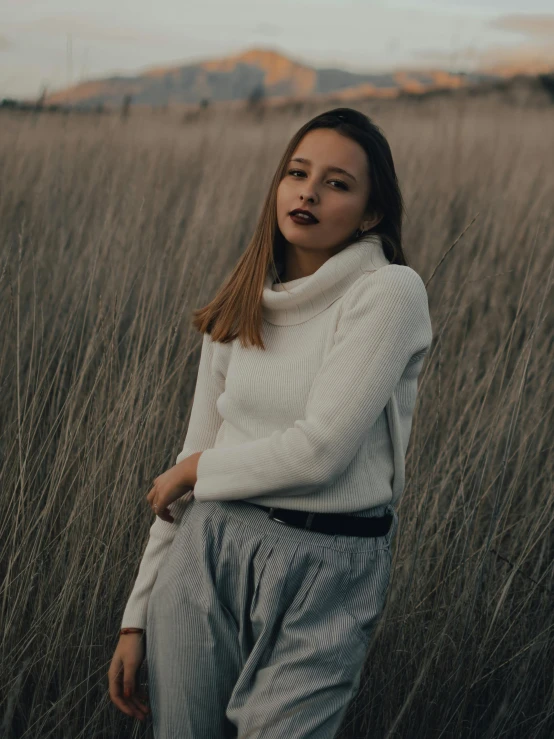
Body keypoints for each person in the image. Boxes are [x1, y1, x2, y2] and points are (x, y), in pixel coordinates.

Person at [108, 106, 433, 737]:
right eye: (297, 173)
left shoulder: (388, 292)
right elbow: (192, 451)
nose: (308, 191)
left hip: (326, 566)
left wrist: (201, 470)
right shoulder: (243, 302)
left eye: (337, 183)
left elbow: (321, 453)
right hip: (205, 552)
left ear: (370, 214)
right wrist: (136, 614)